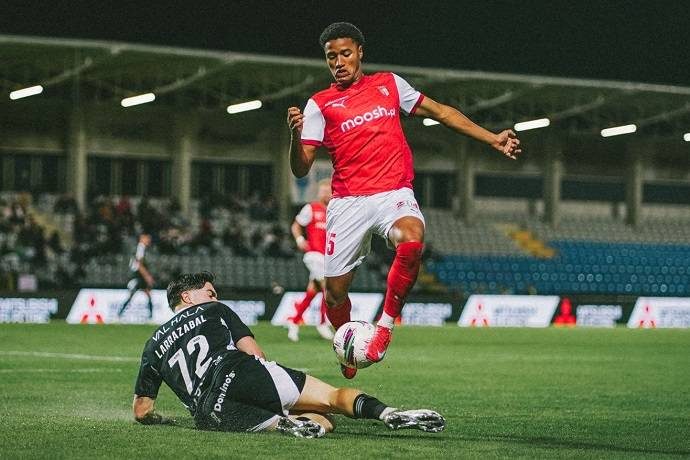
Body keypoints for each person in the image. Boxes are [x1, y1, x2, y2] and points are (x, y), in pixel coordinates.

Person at [287, 22, 522, 378]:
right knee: (334, 295)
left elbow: (441, 112)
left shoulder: (389, 84)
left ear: (360, 52)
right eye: (331, 57)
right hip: (348, 202)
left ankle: (384, 328)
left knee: (412, 239)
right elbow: (301, 168)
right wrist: (295, 135)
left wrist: (491, 138)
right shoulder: (319, 104)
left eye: (345, 54)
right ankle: (347, 349)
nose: (338, 62)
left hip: (393, 193)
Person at [130, 271, 445, 438]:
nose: (215, 297)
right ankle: (387, 414)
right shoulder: (214, 309)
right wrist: (269, 383)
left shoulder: (152, 346)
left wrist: (162, 420)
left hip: (209, 413)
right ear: (188, 296)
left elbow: (142, 411)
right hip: (239, 373)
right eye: (210, 292)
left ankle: (283, 424)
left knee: (320, 422)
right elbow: (254, 353)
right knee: (330, 399)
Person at [288, 178, 334, 342]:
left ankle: (294, 322)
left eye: (328, 191)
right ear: (319, 192)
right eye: (323, 191)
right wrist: (300, 239)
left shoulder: (334, 211)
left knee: (312, 291)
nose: (326, 194)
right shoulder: (311, 208)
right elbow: (296, 225)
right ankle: (322, 323)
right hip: (314, 255)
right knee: (328, 289)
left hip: (327, 258)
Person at [118, 234, 155, 319]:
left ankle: (151, 316)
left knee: (147, 294)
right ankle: (119, 314)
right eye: (147, 238)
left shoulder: (142, 248)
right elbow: (139, 265)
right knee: (136, 294)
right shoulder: (140, 248)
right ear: (142, 238)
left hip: (139, 276)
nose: (149, 240)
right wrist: (147, 276)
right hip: (137, 276)